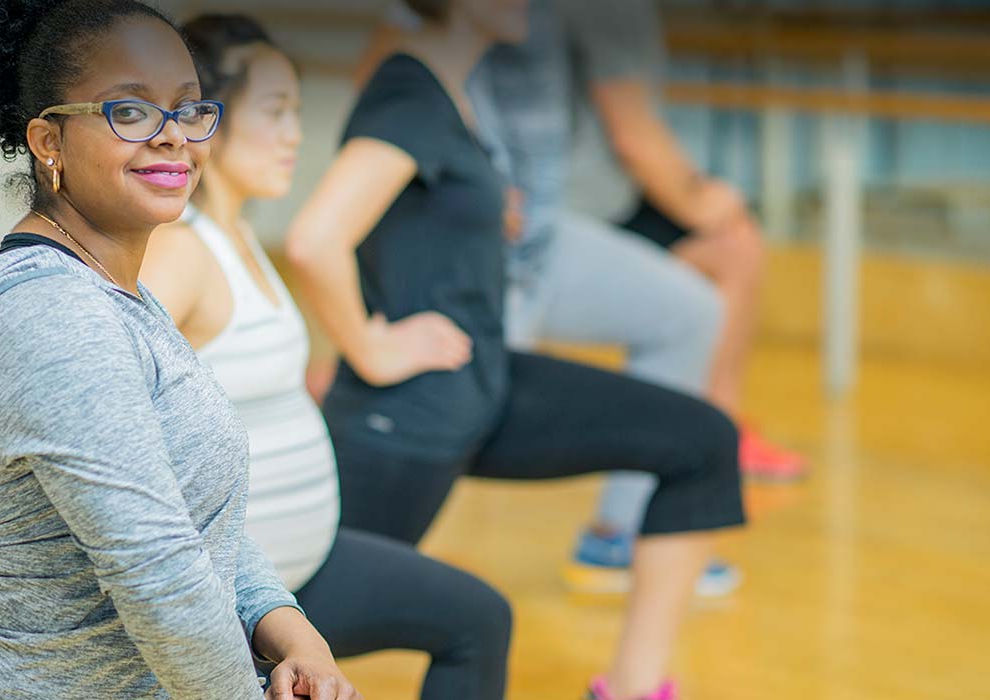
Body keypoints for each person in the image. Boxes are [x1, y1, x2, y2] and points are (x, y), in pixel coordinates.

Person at [0, 2, 359, 698]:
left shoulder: (119, 295)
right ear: (48, 140)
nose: (174, 138)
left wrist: (291, 631)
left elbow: (195, 520)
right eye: (129, 112)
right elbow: (159, 571)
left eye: (189, 108)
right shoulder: (54, 314)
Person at [287, 0, 747, 698]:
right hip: (408, 422)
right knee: (286, 621)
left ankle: (631, 687)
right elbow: (314, 240)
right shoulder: (408, 90)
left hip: (481, 387)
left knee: (700, 441)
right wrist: (371, 349)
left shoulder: (449, 90)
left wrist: (482, 210)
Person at [141, 14, 513, 699]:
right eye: (276, 112)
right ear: (205, 122)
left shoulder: (243, 238)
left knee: (479, 618)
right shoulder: (179, 251)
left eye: (298, 113)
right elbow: (120, 427)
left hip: (301, 573)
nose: (295, 136)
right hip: (237, 607)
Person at [560, 0, 806, 480]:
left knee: (730, 247)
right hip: (574, 210)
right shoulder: (606, 11)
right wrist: (701, 200)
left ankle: (716, 431)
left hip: (597, 196)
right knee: (732, 246)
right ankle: (715, 431)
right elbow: (631, 133)